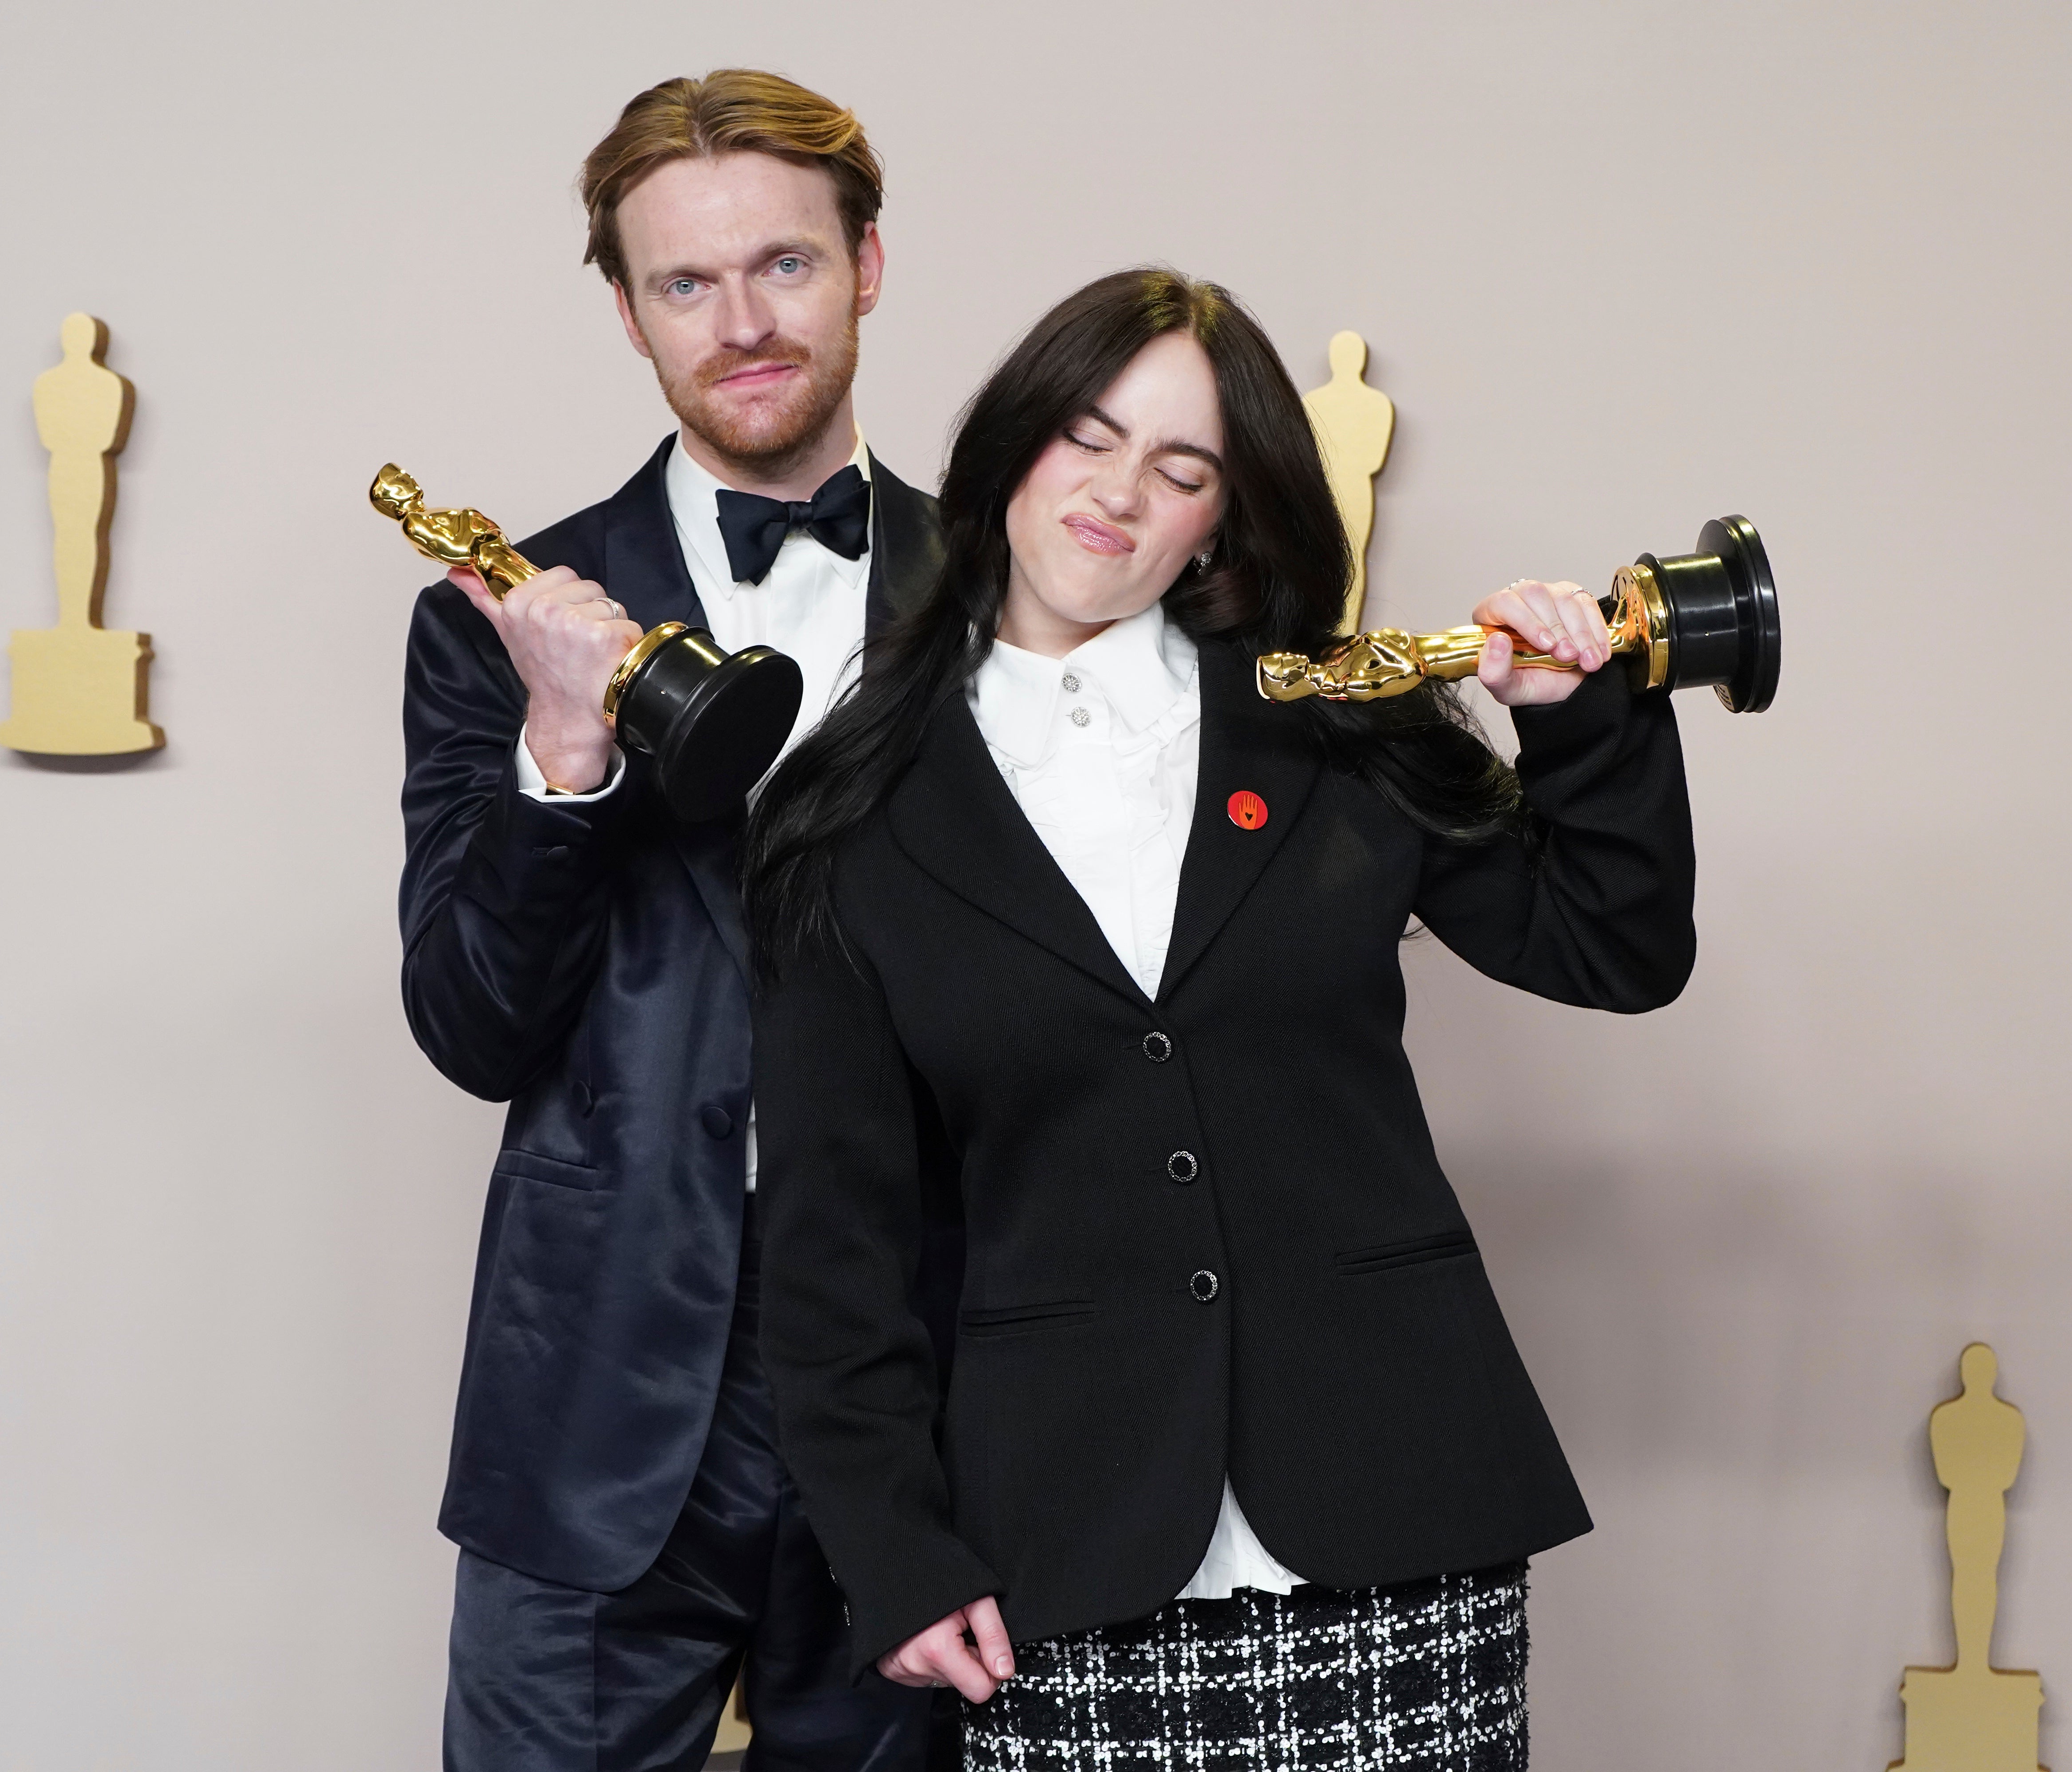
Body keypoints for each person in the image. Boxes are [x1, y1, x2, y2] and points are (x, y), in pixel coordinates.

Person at [744, 268, 1697, 1768]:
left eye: (1180, 468)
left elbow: (1615, 947)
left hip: (1396, 1526)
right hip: (1066, 1551)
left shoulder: (1334, 719)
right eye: (1087, 436)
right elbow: (827, 1247)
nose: (1118, 493)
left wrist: (1579, 717)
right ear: (1011, 449)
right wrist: (896, 1555)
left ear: (1223, 518)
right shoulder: (845, 810)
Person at [397, 69, 946, 1771]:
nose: (743, 324)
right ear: (629, 315)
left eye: (783, 264)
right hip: (600, 1391)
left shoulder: (1022, 608)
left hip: (935, 1391)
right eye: (685, 284)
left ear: (869, 264)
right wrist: (564, 752)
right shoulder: (497, 618)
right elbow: (473, 1027)